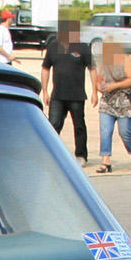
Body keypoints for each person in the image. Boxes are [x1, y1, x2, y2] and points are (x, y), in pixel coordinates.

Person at [39, 20, 95, 164]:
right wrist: (44, 91)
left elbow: (92, 69)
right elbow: (45, 69)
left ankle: (81, 155)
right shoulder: (53, 47)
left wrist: (95, 91)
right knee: (53, 125)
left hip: (77, 95)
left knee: (79, 126)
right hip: (57, 95)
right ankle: (50, 153)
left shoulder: (83, 48)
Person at [93, 37, 131, 172]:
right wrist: (99, 86)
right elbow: (99, 79)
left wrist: (114, 85)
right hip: (107, 101)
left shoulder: (125, 59)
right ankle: (105, 160)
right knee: (105, 131)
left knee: (125, 132)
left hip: (124, 101)